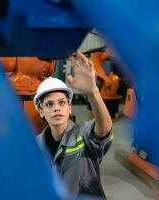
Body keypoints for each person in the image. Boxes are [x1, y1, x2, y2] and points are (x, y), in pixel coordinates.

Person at [35, 51, 113, 199]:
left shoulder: (83, 135)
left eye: (62, 102)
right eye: (49, 104)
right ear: (41, 111)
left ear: (69, 108)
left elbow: (103, 130)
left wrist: (93, 92)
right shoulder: (36, 144)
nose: (56, 108)